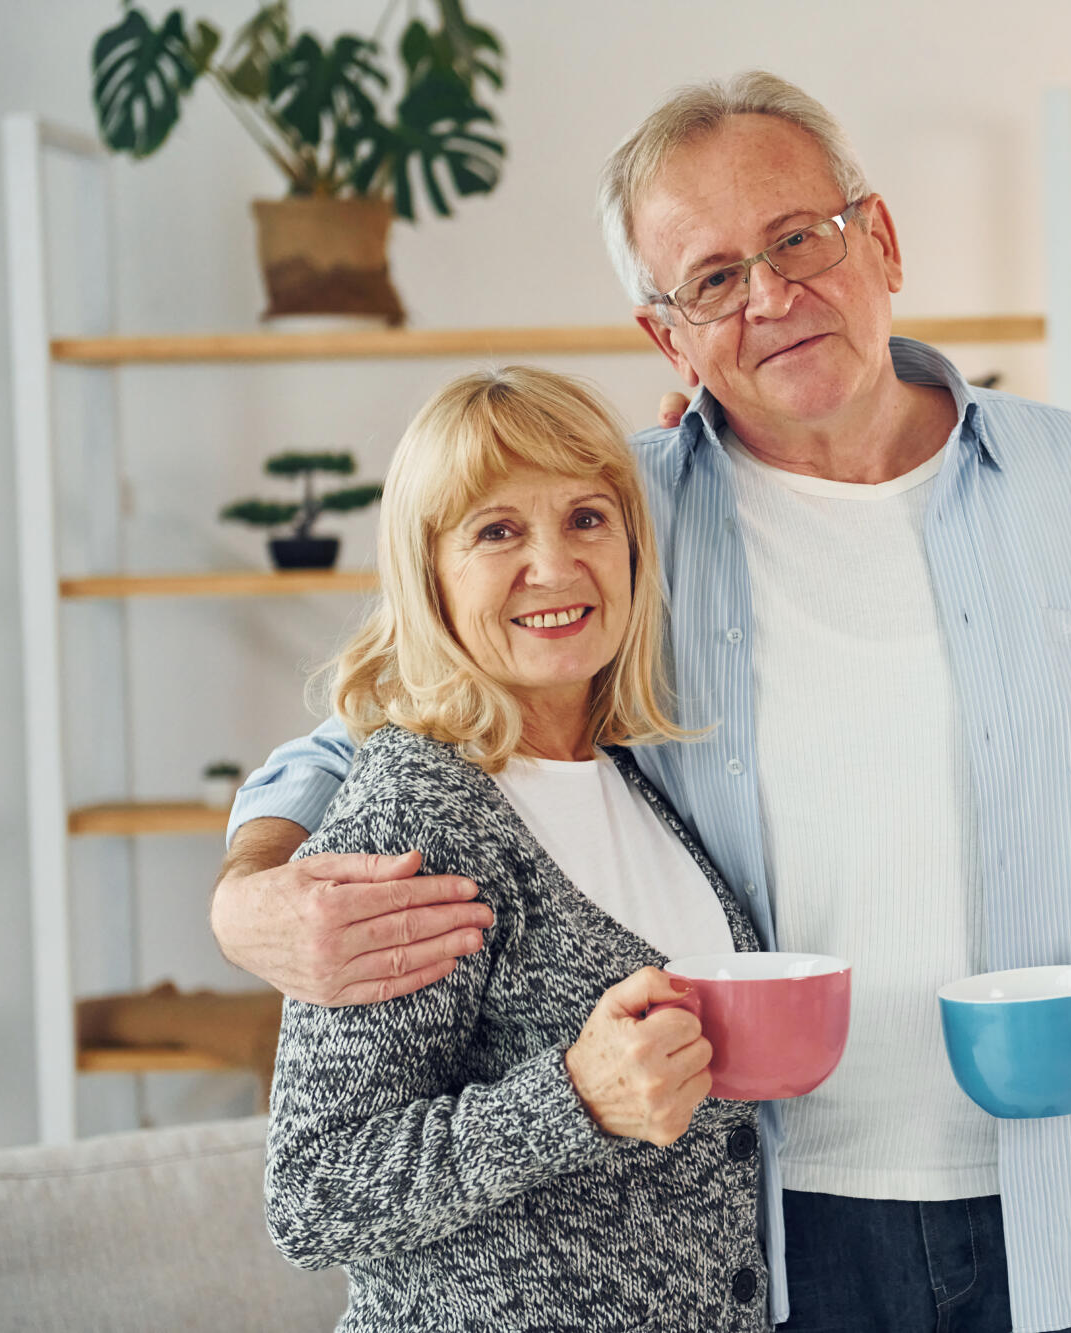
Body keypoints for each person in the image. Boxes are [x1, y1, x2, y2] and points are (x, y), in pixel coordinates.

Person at [216, 73, 1071, 1333]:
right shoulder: (609, 523)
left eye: (799, 238)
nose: (773, 296)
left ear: (880, 239)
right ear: (664, 335)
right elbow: (383, 715)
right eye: (714, 277)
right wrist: (248, 891)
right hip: (766, 1242)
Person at [260, 366, 769, 1332]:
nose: (554, 564)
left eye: (587, 518)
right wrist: (573, 1096)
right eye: (497, 531)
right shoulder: (418, 815)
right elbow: (314, 1193)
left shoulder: (640, 779)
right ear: (430, 572)